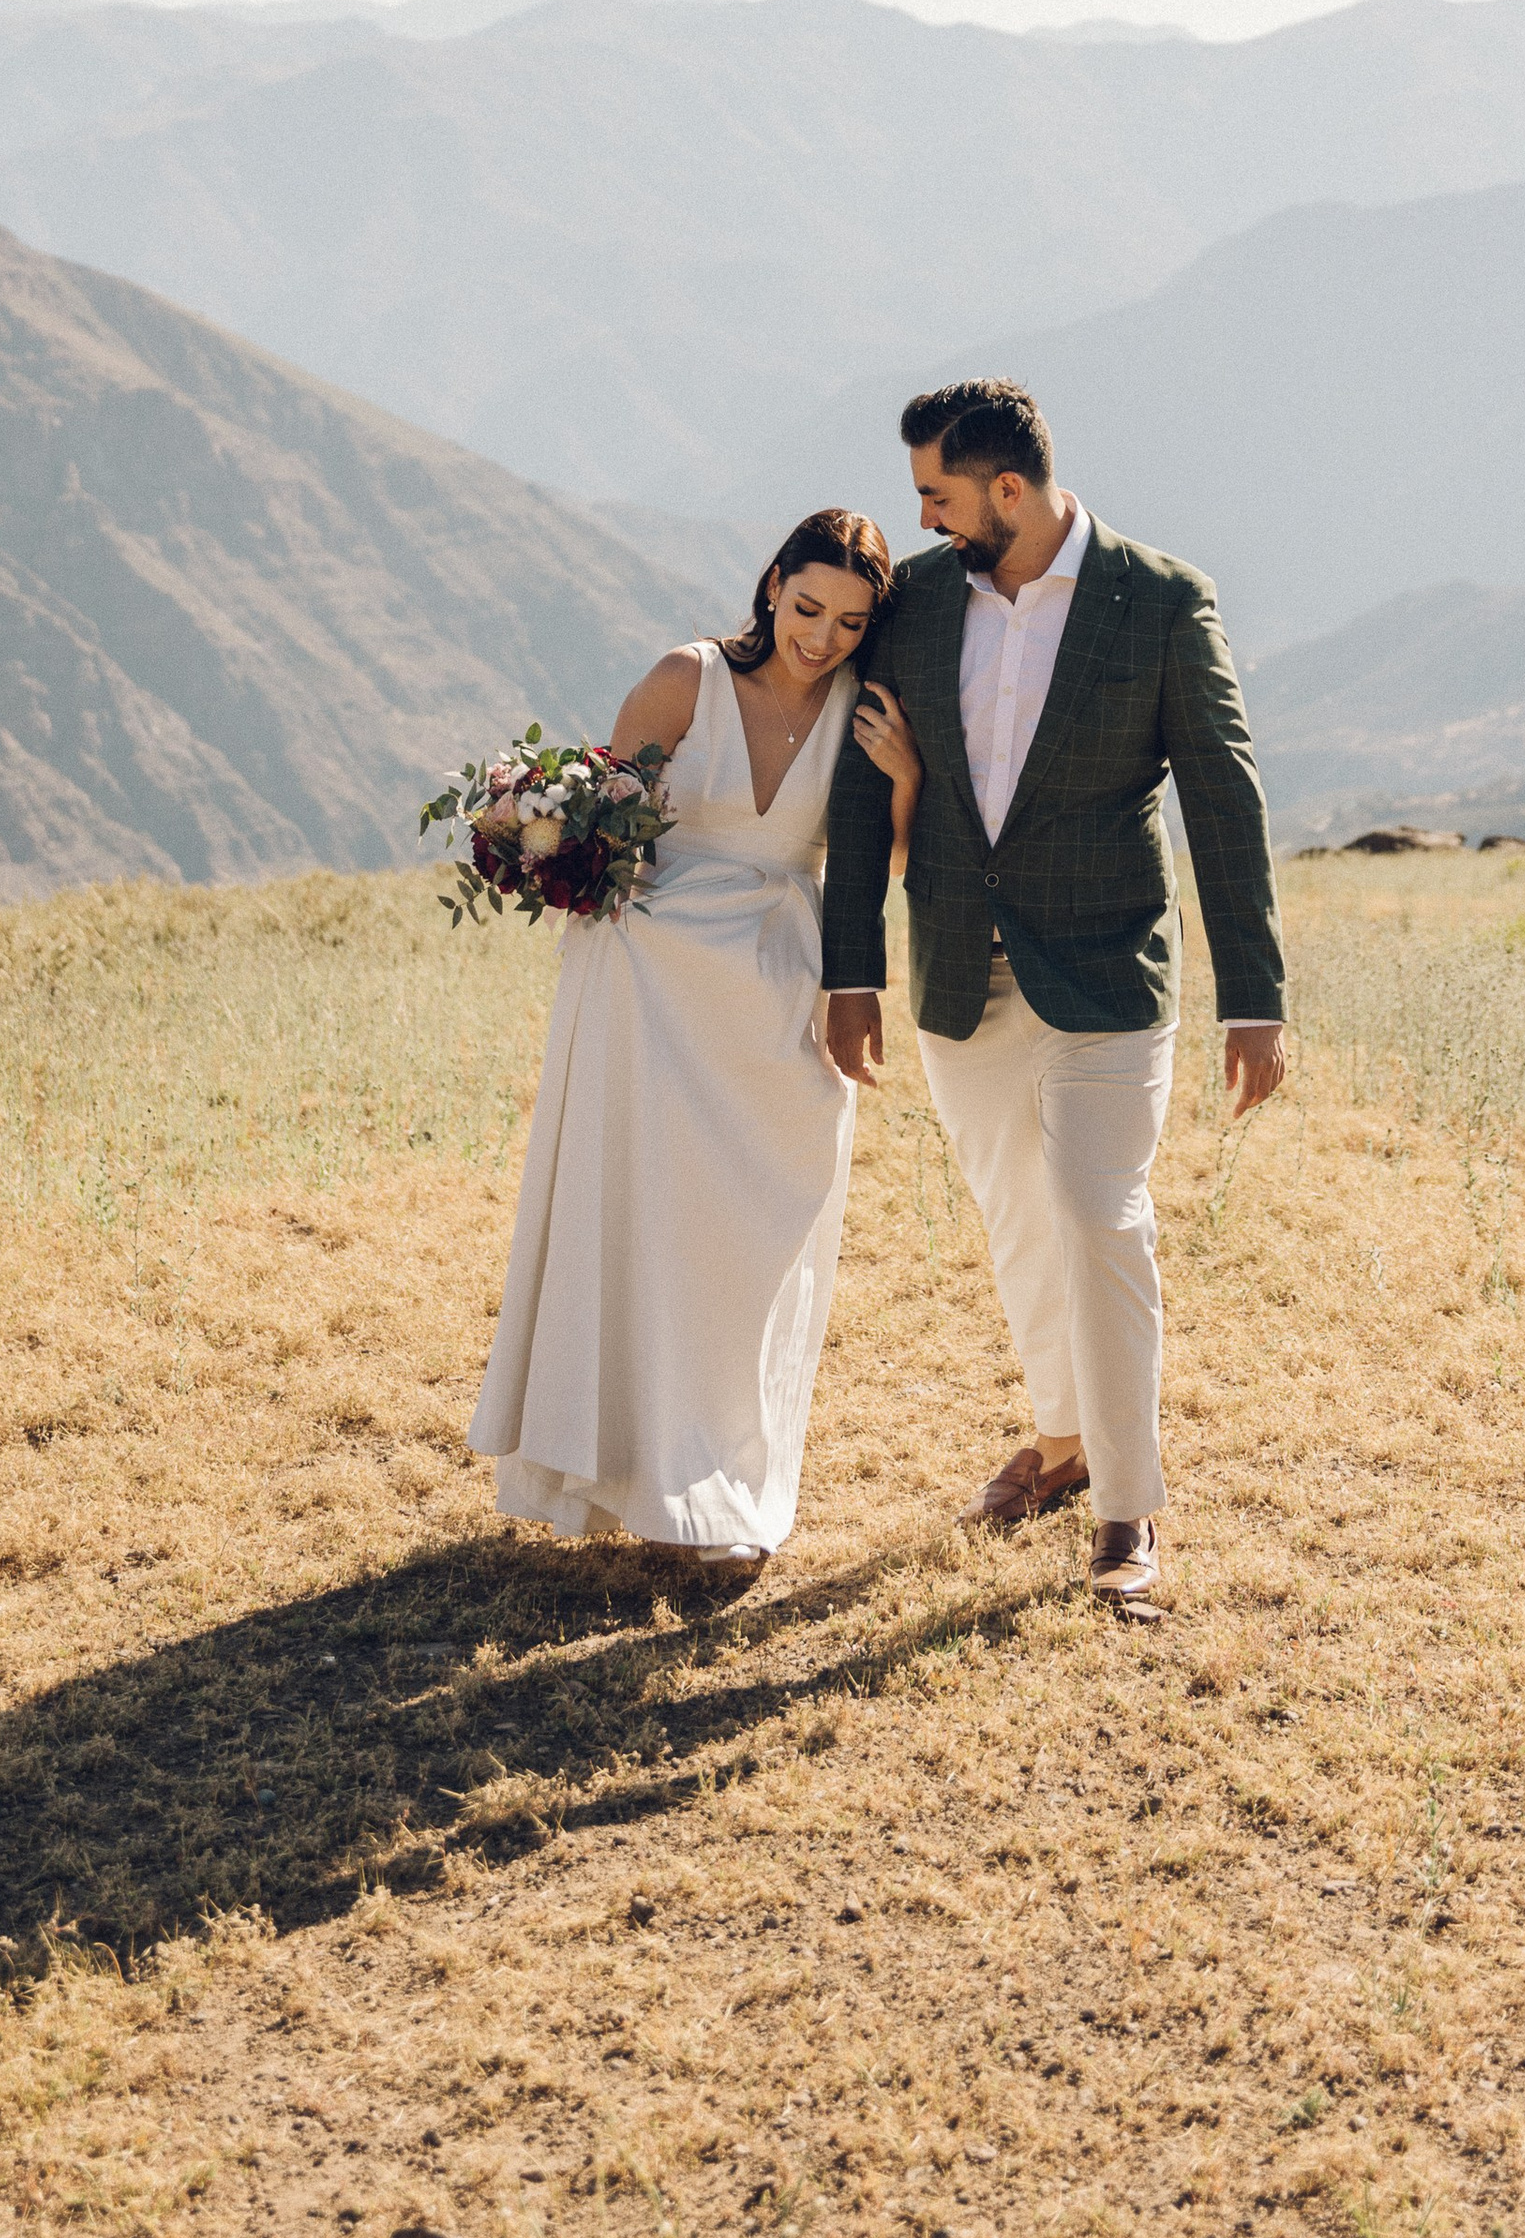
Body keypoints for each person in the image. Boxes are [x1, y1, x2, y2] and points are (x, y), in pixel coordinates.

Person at [820, 382, 1284, 1610]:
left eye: (938, 496)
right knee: (1018, 1221)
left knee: (1096, 1213)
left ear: (1008, 491)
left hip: (1107, 967)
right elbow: (865, 790)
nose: (922, 520)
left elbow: (1222, 796)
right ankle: (1061, 1443)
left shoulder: (1162, 600)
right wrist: (851, 972)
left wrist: (1254, 996)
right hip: (957, 970)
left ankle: (1129, 1508)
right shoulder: (917, 604)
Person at [471, 509, 916, 1564]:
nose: (822, 638)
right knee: (638, 1222)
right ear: (773, 584)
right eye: (808, 608)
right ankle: (632, 1477)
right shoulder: (686, 679)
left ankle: (723, 1477)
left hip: (773, 989)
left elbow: (884, 864)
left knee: (749, 1241)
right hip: (647, 984)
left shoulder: (863, 710)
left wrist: (904, 775)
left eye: (850, 623)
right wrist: (541, 845)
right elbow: (601, 825)